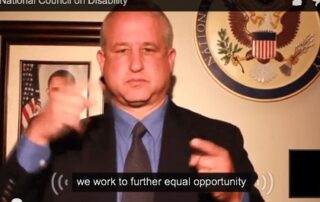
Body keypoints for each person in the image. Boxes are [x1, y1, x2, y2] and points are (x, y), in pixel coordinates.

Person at [0, 4, 264, 202]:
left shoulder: (220, 138)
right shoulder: (61, 148)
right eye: (122, 50)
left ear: (169, 60)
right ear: (103, 61)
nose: (136, 64)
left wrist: (234, 196)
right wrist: (34, 137)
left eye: (148, 49)